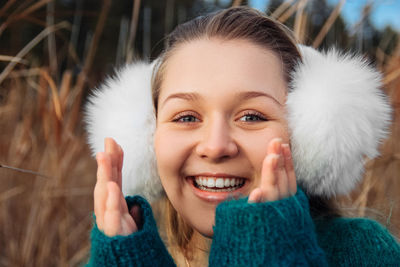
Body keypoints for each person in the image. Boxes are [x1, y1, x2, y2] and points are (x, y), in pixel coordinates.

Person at [85, 6, 400, 266]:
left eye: (251, 116)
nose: (216, 146)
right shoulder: (124, 254)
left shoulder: (363, 253)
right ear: (149, 141)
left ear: (308, 139)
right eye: (186, 117)